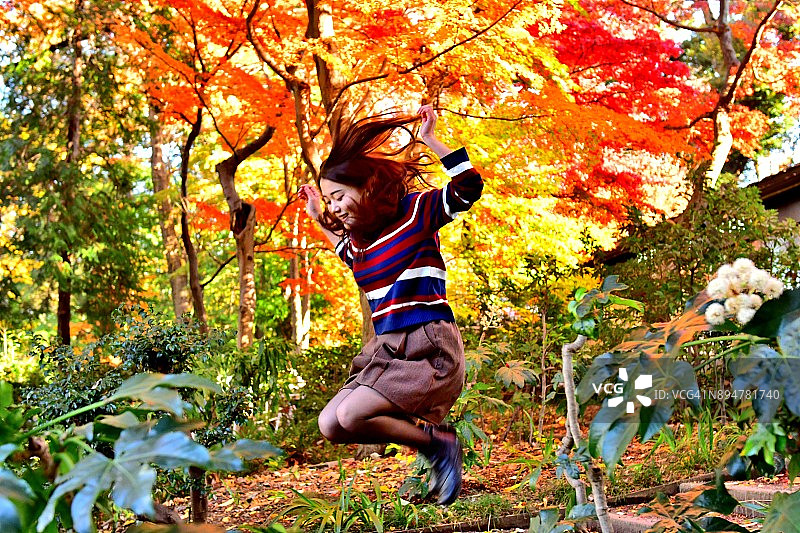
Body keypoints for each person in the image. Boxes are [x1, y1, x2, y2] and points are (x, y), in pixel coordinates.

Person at [299, 104, 483, 505]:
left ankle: (440, 445)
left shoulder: (415, 213)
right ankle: (432, 442)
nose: (334, 207)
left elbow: (468, 188)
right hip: (389, 348)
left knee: (351, 414)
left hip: (427, 342)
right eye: (328, 201)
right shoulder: (362, 243)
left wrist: (432, 140)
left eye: (338, 196)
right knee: (331, 424)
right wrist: (317, 217)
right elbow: (348, 255)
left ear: (366, 186)